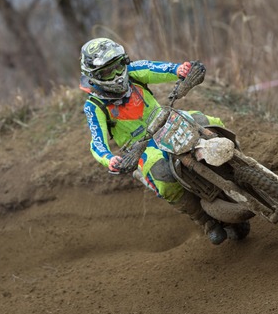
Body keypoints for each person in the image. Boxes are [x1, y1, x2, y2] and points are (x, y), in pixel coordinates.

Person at [79, 37, 249, 245]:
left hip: (167, 120)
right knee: (163, 179)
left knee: (210, 122)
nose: (116, 74)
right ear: (94, 77)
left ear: (124, 61)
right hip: (140, 148)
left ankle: (244, 166)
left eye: (117, 66)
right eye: (107, 72)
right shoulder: (94, 105)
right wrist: (109, 159)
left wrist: (181, 70)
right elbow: (97, 141)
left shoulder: (134, 70)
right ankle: (205, 221)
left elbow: (160, 69)